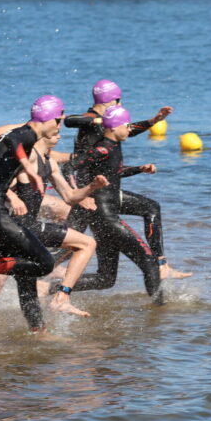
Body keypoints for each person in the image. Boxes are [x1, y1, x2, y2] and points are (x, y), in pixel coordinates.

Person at [0, 128, 109, 317]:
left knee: (15, 283)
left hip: (26, 228)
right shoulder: (29, 159)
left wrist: (92, 187)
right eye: (55, 133)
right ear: (43, 136)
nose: (59, 136)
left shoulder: (49, 162)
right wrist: (13, 197)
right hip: (19, 226)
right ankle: (61, 298)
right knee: (87, 243)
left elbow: (70, 196)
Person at [64, 78, 191, 280]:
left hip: (102, 189)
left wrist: (153, 121)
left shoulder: (113, 127)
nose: (121, 105)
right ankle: (27, 271)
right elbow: (69, 120)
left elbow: (125, 129)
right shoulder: (89, 118)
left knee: (150, 208)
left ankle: (161, 265)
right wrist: (102, 120)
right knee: (66, 248)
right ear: (110, 101)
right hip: (90, 192)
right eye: (119, 101)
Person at [0, 95, 64, 335]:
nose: (59, 126)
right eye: (58, 120)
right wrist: (29, 169)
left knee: (23, 273)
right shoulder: (25, 134)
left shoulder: (16, 138)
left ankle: (38, 330)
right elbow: (14, 138)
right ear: (48, 118)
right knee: (44, 263)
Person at [65, 106, 164, 306]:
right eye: (126, 126)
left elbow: (113, 173)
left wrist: (139, 169)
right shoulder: (103, 148)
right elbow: (68, 167)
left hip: (102, 220)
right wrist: (77, 195)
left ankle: (49, 288)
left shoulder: (113, 146)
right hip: (107, 218)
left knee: (105, 279)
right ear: (114, 127)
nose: (130, 129)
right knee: (150, 263)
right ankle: (160, 313)